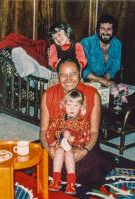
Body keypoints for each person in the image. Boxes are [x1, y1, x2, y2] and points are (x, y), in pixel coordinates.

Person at [40, 57, 115, 189]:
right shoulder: (48, 94)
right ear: (58, 76)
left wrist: (84, 151)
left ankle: (69, 177)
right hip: (56, 140)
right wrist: (49, 149)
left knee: (91, 167)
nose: (68, 80)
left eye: (73, 74)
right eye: (63, 75)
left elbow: (94, 132)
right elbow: (43, 129)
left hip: (83, 140)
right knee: (41, 158)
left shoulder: (93, 94)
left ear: (80, 71)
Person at [46, 89, 90, 194]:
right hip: (60, 144)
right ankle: (56, 180)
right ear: (64, 105)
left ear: (81, 107)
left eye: (76, 105)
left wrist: (72, 139)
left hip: (74, 147)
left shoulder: (82, 122)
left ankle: (71, 182)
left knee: (69, 154)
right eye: (69, 104)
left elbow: (87, 137)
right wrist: (51, 141)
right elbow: (51, 129)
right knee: (59, 152)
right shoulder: (60, 118)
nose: (71, 108)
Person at [80, 14, 122, 87]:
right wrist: (102, 80)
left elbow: (115, 66)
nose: (105, 32)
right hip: (87, 82)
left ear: (114, 31)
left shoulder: (117, 44)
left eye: (109, 29)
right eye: (102, 28)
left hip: (107, 81)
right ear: (98, 30)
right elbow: (82, 69)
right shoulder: (86, 43)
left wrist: (104, 81)